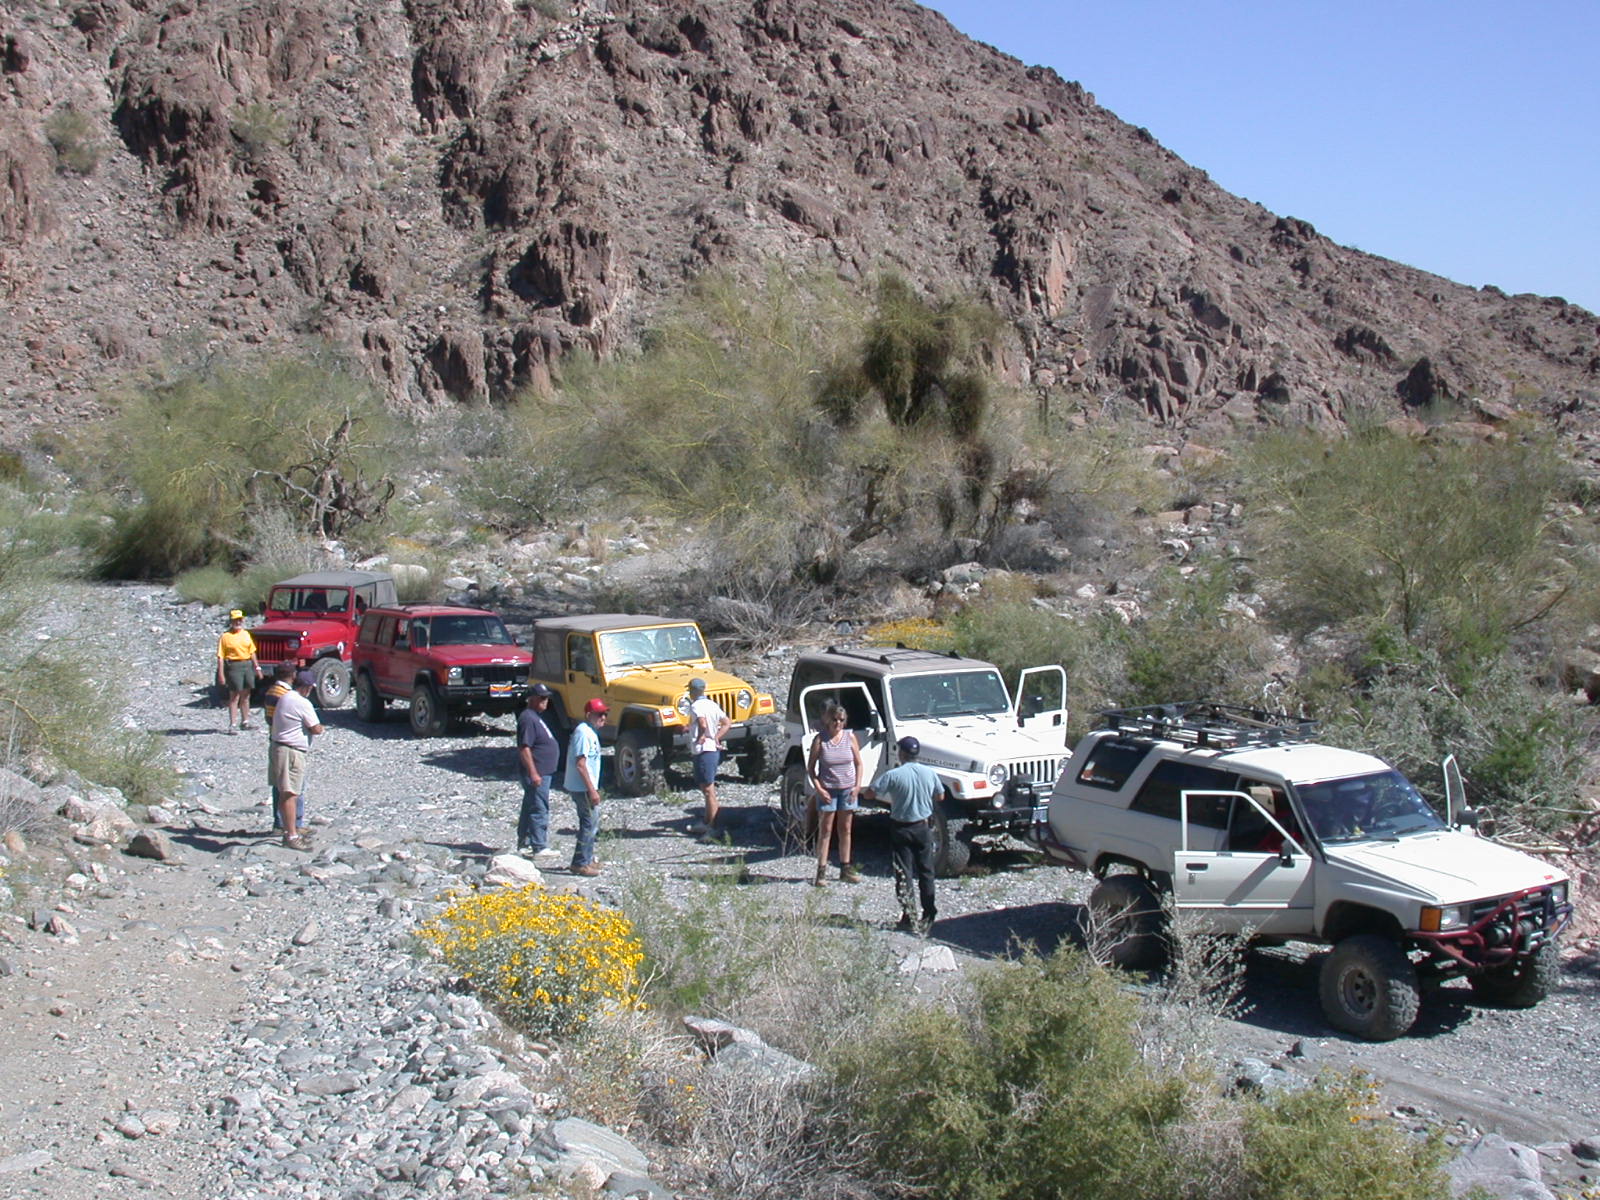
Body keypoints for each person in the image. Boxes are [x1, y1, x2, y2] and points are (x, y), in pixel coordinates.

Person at [866, 736, 942, 934]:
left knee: (904, 873)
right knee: (926, 871)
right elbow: (940, 795)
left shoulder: (894, 775)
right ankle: (929, 913)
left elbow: (872, 793)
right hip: (923, 827)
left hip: (901, 827)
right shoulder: (929, 773)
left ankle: (908, 914)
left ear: (901, 753)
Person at [806, 700, 862, 886]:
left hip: (847, 789)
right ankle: (821, 871)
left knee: (845, 829)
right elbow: (811, 768)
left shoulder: (850, 737)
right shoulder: (820, 740)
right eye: (835, 720)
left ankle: (845, 867)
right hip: (828, 789)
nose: (838, 723)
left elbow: (858, 763)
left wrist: (857, 786)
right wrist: (819, 789)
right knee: (826, 830)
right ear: (828, 720)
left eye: (841, 720)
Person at [269, 669, 323, 851]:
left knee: (285, 792)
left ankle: (288, 830)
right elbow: (316, 728)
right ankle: (291, 835)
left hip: (280, 747)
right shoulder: (302, 703)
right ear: (307, 687)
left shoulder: (285, 697)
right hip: (291, 752)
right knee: (290, 794)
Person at [563, 698, 608, 876]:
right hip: (582, 787)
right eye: (599, 714)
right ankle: (580, 863)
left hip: (586, 786)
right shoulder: (583, 733)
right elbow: (580, 764)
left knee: (592, 822)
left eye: (605, 714)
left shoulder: (591, 731)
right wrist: (592, 790)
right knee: (588, 823)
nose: (603, 717)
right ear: (589, 715)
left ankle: (587, 859)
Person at [516, 684, 562, 860]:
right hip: (537, 772)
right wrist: (533, 772)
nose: (545, 701)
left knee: (530, 805)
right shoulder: (528, 719)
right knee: (539, 807)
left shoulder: (535, 717)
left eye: (546, 698)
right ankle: (539, 845)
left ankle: (525, 843)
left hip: (543, 771)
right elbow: (524, 748)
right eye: (542, 698)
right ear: (532, 699)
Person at [262, 663, 306, 832]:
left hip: (276, 739)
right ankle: (293, 823)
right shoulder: (286, 696)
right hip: (288, 743)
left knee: (279, 784)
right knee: (293, 787)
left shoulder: (272, 691)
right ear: (293, 675)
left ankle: (281, 821)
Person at [686, 677, 731, 839]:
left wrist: (701, 736)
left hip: (704, 750)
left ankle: (713, 827)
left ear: (692, 691)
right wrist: (717, 737)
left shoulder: (696, 706)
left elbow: (702, 724)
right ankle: (706, 822)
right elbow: (727, 722)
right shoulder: (712, 704)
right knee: (706, 788)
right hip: (712, 749)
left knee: (708, 789)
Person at [216, 609, 261, 733]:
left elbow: (252, 652)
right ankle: (233, 724)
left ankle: (245, 721)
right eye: (235, 620)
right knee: (234, 696)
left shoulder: (246, 634)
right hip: (233, 666)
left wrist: (257, 668)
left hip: (246, 665)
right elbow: (220, 657)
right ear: (231, 621)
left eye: (240, 619)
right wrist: (221, 674)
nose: (238, 622)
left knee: (246, 695)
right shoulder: (225, 637)